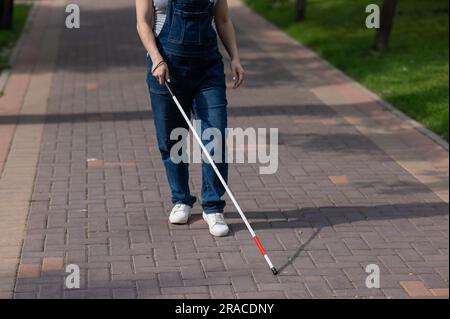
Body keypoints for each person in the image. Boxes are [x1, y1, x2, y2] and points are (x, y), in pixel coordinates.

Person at [136, 0, 245, 236]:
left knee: (215, 136)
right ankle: (181, 199)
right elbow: (143, 23)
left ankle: (213, 206)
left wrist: (234, 57)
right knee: (171, 140)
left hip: (208, 70)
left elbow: (223, 19)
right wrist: (156, 58)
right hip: (166, 66)